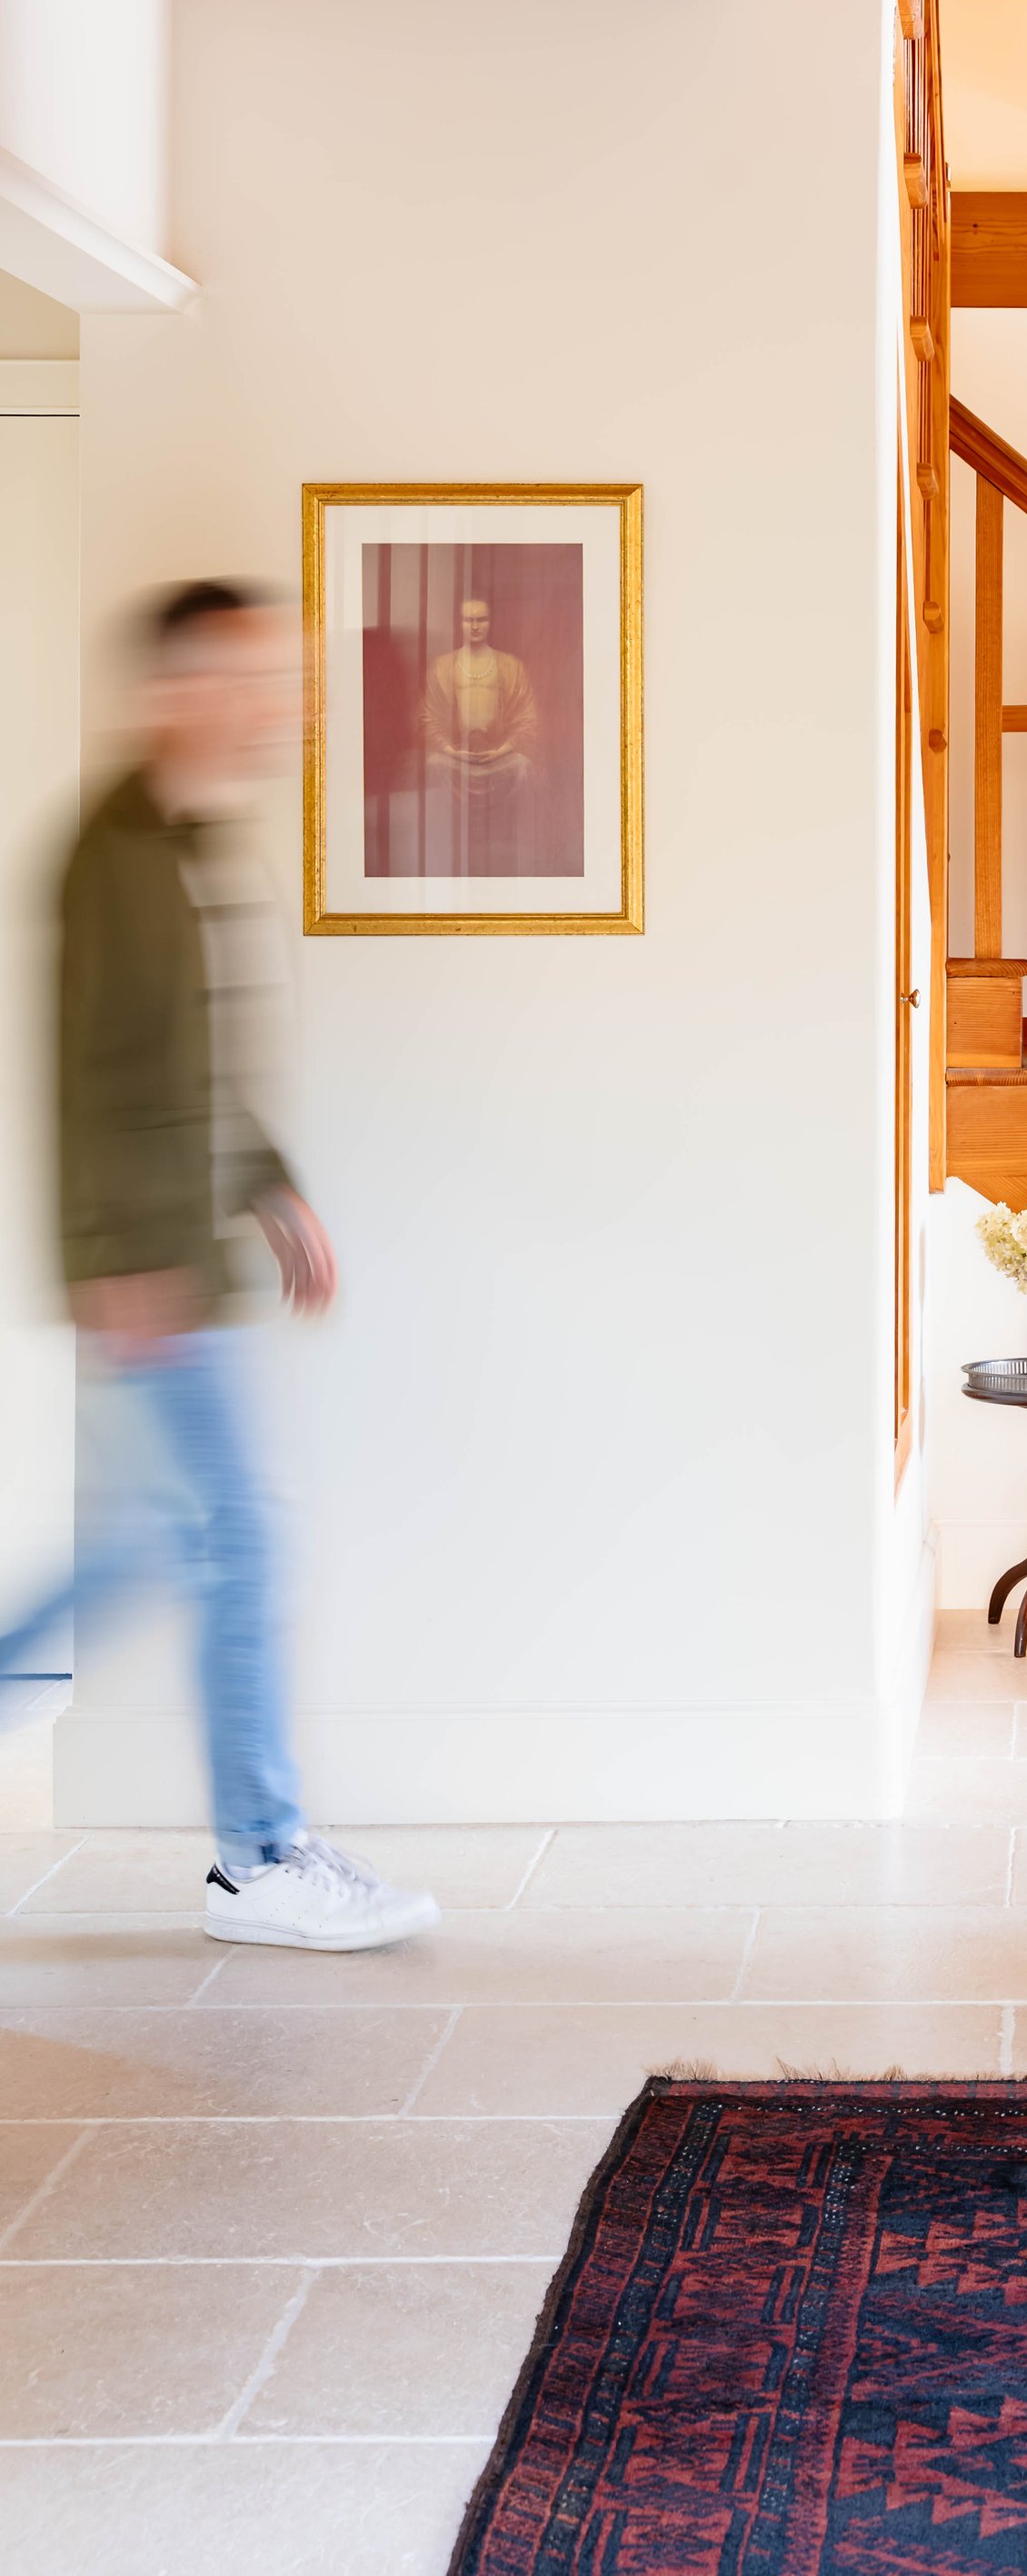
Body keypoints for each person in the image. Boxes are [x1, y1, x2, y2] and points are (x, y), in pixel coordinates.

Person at [0, 582, 438, 1952]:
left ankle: (260, 1847)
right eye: (258, 681)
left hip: (183, 1251)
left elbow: (189, 1067)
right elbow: (90, 1074)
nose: (285, 706)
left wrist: (269, 1184)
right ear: (181, 689)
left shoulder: (190, 839)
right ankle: (259, 1856)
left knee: (159, 1538)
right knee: (238, 1533)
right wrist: (118, 1260)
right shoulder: (111, 852)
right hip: (151, 1265)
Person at [422, 592, 537, 810]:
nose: (475, 626)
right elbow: (427, 718)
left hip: (499, 758)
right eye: (468, 620)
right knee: (433, 764)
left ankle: (512, 836)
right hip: (455, 758)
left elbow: (527, 719)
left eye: (481, 620)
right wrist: (451, 751)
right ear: (460, 623)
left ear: (490, 622)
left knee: (523, 767)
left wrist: (501, 750)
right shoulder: (441, 667)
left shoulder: (512, 666)